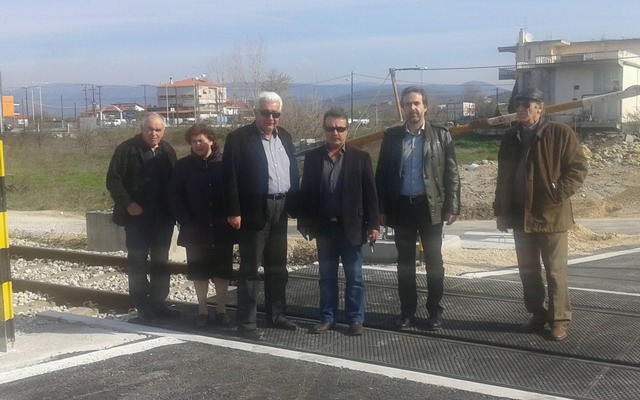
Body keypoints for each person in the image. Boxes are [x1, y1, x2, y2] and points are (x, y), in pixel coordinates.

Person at [494, 87, 587, 341]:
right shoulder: (510, 137)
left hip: (551, 216)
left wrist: (558, 193)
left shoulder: (560, 133)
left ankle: (559, 320)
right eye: (518, 105)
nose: (521, 109)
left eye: (527, 105)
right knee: (528, 270)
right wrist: (500, 211)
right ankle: (538, 313)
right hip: (519, 215)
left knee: (555, 271)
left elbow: (578, 168)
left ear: (540, 108)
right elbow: (503, 177)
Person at [375, 86, 461, 331]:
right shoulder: (392, 137)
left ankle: (434, 311)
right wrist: (381, 208)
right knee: (405, 263)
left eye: (416, 103)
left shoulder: (441, 135)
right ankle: (407, 312)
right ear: (402, 107)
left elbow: (452, 173)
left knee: (434, 262)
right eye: (407, 104)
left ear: (425, 107)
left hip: (430, 208)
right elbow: (381, 176)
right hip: (401, 208)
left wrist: (453, 205)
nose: (412, 108)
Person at [223, 91, 299, 340]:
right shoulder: (239, 138)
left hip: (281, 208)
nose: (271, 118)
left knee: (277, 267)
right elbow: (230, 177)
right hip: (253, 211)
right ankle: (247, 323)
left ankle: (277, 315)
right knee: (250, 270)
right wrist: (233, 211)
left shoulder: (284, 136)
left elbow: (293, 171)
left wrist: (295, 204)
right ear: (255, 112)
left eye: (275, 114)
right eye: (265, 113)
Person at [298, 109, 380, 336]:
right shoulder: (313, 158)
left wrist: (373, 225)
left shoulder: (361, 158)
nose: (335, 132)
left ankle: (355, 319)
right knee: (326, 278)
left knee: (355, 278)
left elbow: (370, 195)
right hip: (325, 228)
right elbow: (306, 192)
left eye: (340, 128)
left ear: (347, 131)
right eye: (330, 128)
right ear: (324, 130)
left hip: (352, 229)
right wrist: (304, 222)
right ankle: (328, 318)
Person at [106, 112, 179, 324]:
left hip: (163, 218)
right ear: (141, 129)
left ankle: (158, 303)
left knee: (161, 262)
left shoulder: (167, 150)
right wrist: (128, 203)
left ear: (163, 131)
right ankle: (141, 306)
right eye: (150, 129)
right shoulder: (126, 150)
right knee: (137, 262)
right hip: (137, 218)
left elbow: (175, 181)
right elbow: (113, 181)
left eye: (158, 130)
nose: (153, 133)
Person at [168, 123, 233, 328]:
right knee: (199, 272)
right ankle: (202, 310)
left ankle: (221, 310)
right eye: (194, 141)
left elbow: (235, 191)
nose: (197, 145)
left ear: (211, 140)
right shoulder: (183, 166)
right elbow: (174, 194)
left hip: (222, 228)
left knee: (222, 272)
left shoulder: (226, 163)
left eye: (201, 141)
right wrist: (184, 218)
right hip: (195, 229)